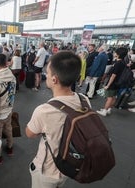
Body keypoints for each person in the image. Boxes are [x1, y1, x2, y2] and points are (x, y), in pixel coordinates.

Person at [26, 51, 88, 188]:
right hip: (69, 165)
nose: (46, 75)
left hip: (47, 170)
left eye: (47, 73)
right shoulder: (84, 100)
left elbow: (30, 133)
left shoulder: (45, 110)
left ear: (54, 79)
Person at [0, 54, 16, 164]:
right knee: (9, 129)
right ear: (6, 63)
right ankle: (10, 148)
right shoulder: (12, 77)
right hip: (9, 109)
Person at [97, 47, 128, 116]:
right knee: (114, 97)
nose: (114, 53)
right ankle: (108, 109)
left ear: (118, 54)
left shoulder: (118, 63)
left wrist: (108, 85)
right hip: (118, 83)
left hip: (113, 83)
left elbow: (113, 75)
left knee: (110, 98)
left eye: (115, 52)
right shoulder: (123, 62)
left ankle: (104, 111)